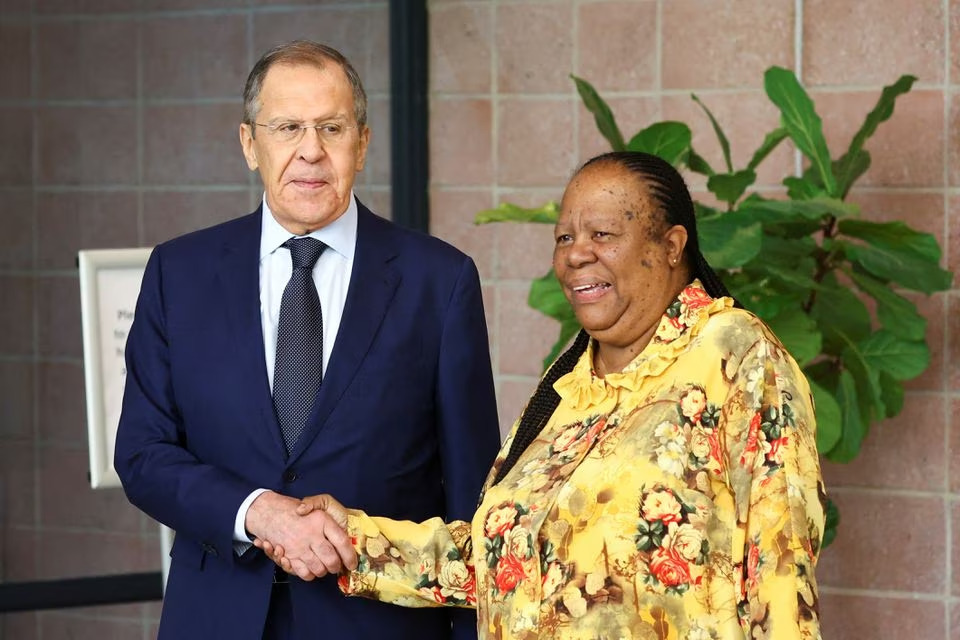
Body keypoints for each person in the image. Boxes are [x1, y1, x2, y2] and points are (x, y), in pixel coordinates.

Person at [262, 151, 827, 639]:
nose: (575, 254)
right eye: (564, 237)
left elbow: (779, 576)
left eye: (602, 234)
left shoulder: (737, 357)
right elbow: (492, 561)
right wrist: (351, 538)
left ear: (672, 244)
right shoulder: (566, 385)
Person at [114, 40, 500, 640]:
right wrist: (259, 513)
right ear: (250, 144)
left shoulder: (439, 280)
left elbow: (473, 490)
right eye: (287, 127)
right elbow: (142, 454)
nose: (310, 151)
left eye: (331, 127)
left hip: (381, 621)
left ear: (363, 143)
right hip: (216, 616)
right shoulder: (178, 273)